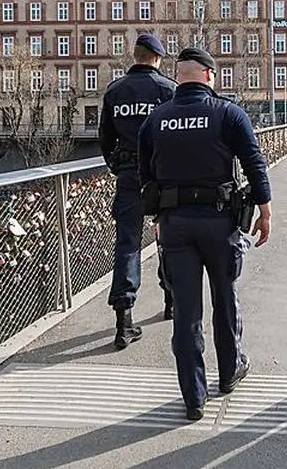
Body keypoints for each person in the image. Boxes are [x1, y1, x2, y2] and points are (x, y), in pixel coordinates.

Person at [138, 47, 272, 421]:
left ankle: (193, 397)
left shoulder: (157, 120)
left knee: (186, 311)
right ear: (210, 76)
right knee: (224, 298)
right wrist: (265, 209)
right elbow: (254, 162)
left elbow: (144, 173)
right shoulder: (228, 113)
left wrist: (158, 214)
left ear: (179, 76)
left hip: (175, 224)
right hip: (219, 221)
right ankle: (229, 373)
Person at [98, 33, 177, 349]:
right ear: (157, 58)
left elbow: (105, 138)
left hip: (129, 175)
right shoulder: (168, 90)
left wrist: (117, 166)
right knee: (168, 238)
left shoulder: (115, 91)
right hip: (163, 176)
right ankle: (171, 301)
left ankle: (124, 321)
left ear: (134, 56)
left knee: (128, 244)